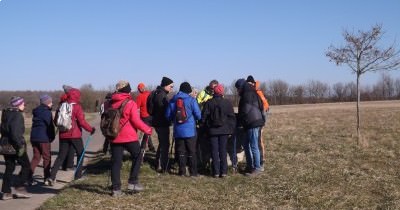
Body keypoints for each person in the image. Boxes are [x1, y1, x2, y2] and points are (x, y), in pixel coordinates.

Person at [109, 81, 152, 197]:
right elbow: (136, 121)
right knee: (138, 155)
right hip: (129, 137)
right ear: (127, 90)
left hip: (114, 136)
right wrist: (147, 129)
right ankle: (132, 182)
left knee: (116, 162)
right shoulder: (130, 103)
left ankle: (116, 189)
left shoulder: (111, 102)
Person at [46, 88, 95, 185]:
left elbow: (56, 121)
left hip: (63, 134)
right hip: (75, 135)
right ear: (76, 96)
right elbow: (82, 122)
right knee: (80, 154)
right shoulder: (77, 107)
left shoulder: (61, 106)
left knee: (61, 156)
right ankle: (78, 176)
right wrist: (91, 129)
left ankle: (51, 177)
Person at [166, 82, 201, 177]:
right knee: (192, 151)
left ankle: (182, 172)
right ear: (188, 91)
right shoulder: (191, 100)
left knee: (181, 151)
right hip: (190, 131)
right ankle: (193, 172)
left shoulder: (173, 100)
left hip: (178, 130)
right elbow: (198, 115)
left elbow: (168, 116)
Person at [201, 84, 236, 178]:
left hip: (212, 131)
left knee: (214, 151)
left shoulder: (209, 103)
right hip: (224, 130)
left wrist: (205, 129)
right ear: (222, 92)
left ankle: (216, 172)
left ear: (214, 92)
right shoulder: (227, 103)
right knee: (223, 151)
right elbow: (232, 117)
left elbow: (203, 118)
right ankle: (224, 172)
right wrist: (231, 130)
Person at [1, 96, 31, 200]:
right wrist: (20, 146)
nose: (24, 105)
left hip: (5, 145)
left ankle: (6, 192)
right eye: (23, 104)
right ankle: (19, 187)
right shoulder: (17, 115)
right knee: (26, 166)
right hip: (15, 146)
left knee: (9, 168)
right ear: (18, 105)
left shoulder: (6, 113)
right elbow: (15, 134)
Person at [235, 78, 265, 176]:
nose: (237, 91)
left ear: (240, 87)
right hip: (254, 121)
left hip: (252, 122)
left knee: (253, 145)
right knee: (246, 144)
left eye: (237, 89)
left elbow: (245, 110)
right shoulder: (253, 92)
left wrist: (239, 119)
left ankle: (257, 168)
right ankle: (250, 166)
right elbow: (261, 106)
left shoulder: (246, 95)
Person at [29, 94, 55, 184]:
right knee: (47, 158)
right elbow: (50, 126)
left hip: (34, 137)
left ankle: (28, 177)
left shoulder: (36, 111)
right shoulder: (47, 112)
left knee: (36, 158)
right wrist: (52, 137)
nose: (52, 103)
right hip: (44, 138)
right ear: (47, 103)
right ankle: (47, 178)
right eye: (51, 102)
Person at [247, 76, 269, 171]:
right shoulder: (253, 92)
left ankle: (261, 161)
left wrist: (263, 122)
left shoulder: (257, 93)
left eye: (249, 83)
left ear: (252, 83)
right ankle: (257, 161)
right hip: (258, 119)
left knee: (258, 141)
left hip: (258, 120)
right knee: (256, 141)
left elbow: (264, 107)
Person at [152, 76, 174, 172]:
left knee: (162, 144)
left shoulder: (158, 93)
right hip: (162, 123)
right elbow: (162, 110)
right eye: (170, 86)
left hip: (159, 122)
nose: (171, 88)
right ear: (165, 85)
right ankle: (162, 166)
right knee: (165, 144)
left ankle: (159, 163)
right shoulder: (161, 95)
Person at [196, 79, 218, 174]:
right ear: (209, 86)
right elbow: (196, 104)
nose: (213, 89)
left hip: (212, 122)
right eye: (212, 87)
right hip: (202, 120)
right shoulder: (202, 93)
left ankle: (211, 163)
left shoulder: (217, 94)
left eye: (215, 88)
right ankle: (201, 162)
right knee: (202, 143)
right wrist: (205, 103)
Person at [135, 82, 156, 152]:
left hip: (144, 117)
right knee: (148, 132)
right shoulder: (150, 94)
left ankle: (142, 148)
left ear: (139, 89)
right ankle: (151, 147)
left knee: (146, 133)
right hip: (152, 116)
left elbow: (136, 108)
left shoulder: (140, 97)